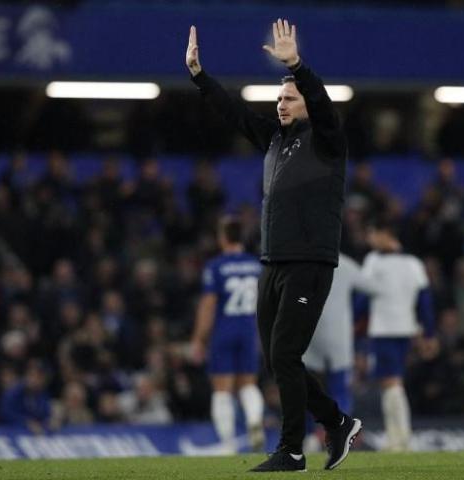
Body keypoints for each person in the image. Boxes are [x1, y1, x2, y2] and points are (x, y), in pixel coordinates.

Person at [187, 19, 360, 472]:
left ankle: (293, 450)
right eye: (279, 98)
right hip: (274, 262)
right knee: (277, 359)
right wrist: (201, 77)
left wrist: (297, 66)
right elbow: (234, 114)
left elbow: (322, 104)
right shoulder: (275, 140)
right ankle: (337, 422)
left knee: (285, 354)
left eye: (289, 98)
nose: (280, 104)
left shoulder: (327, 141)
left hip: (310, 261)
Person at [190, 216, 265, 454]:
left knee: (222, 390)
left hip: (224, 329)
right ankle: (254, 420)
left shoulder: (216, 266)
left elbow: (209, 304)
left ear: (223, 237)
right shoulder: (257, 265)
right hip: (248, 328)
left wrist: (199, 338)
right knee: (248, 385)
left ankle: (228, 443)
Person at [362, 220, 436, 452]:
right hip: (406, 329)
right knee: (392, 382)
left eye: (374, 233)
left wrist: (350, 320)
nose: (370, 238)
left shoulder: (373, 262)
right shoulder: (413, 263)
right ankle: (397, 435)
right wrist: (429, 332)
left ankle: (400, 437)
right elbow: (425, 301)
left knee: (391, 382)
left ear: (386, 234)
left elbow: (362, 297)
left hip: (384, 329)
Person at [302, 252, 380, 450]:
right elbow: (373, 287)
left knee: (308, 388)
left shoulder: (302, 262)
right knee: (340, 387)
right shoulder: (344, 263)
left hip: (310, 331)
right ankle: (337, 434)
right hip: (339, 335)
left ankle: (311, 436)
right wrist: (356, 307)